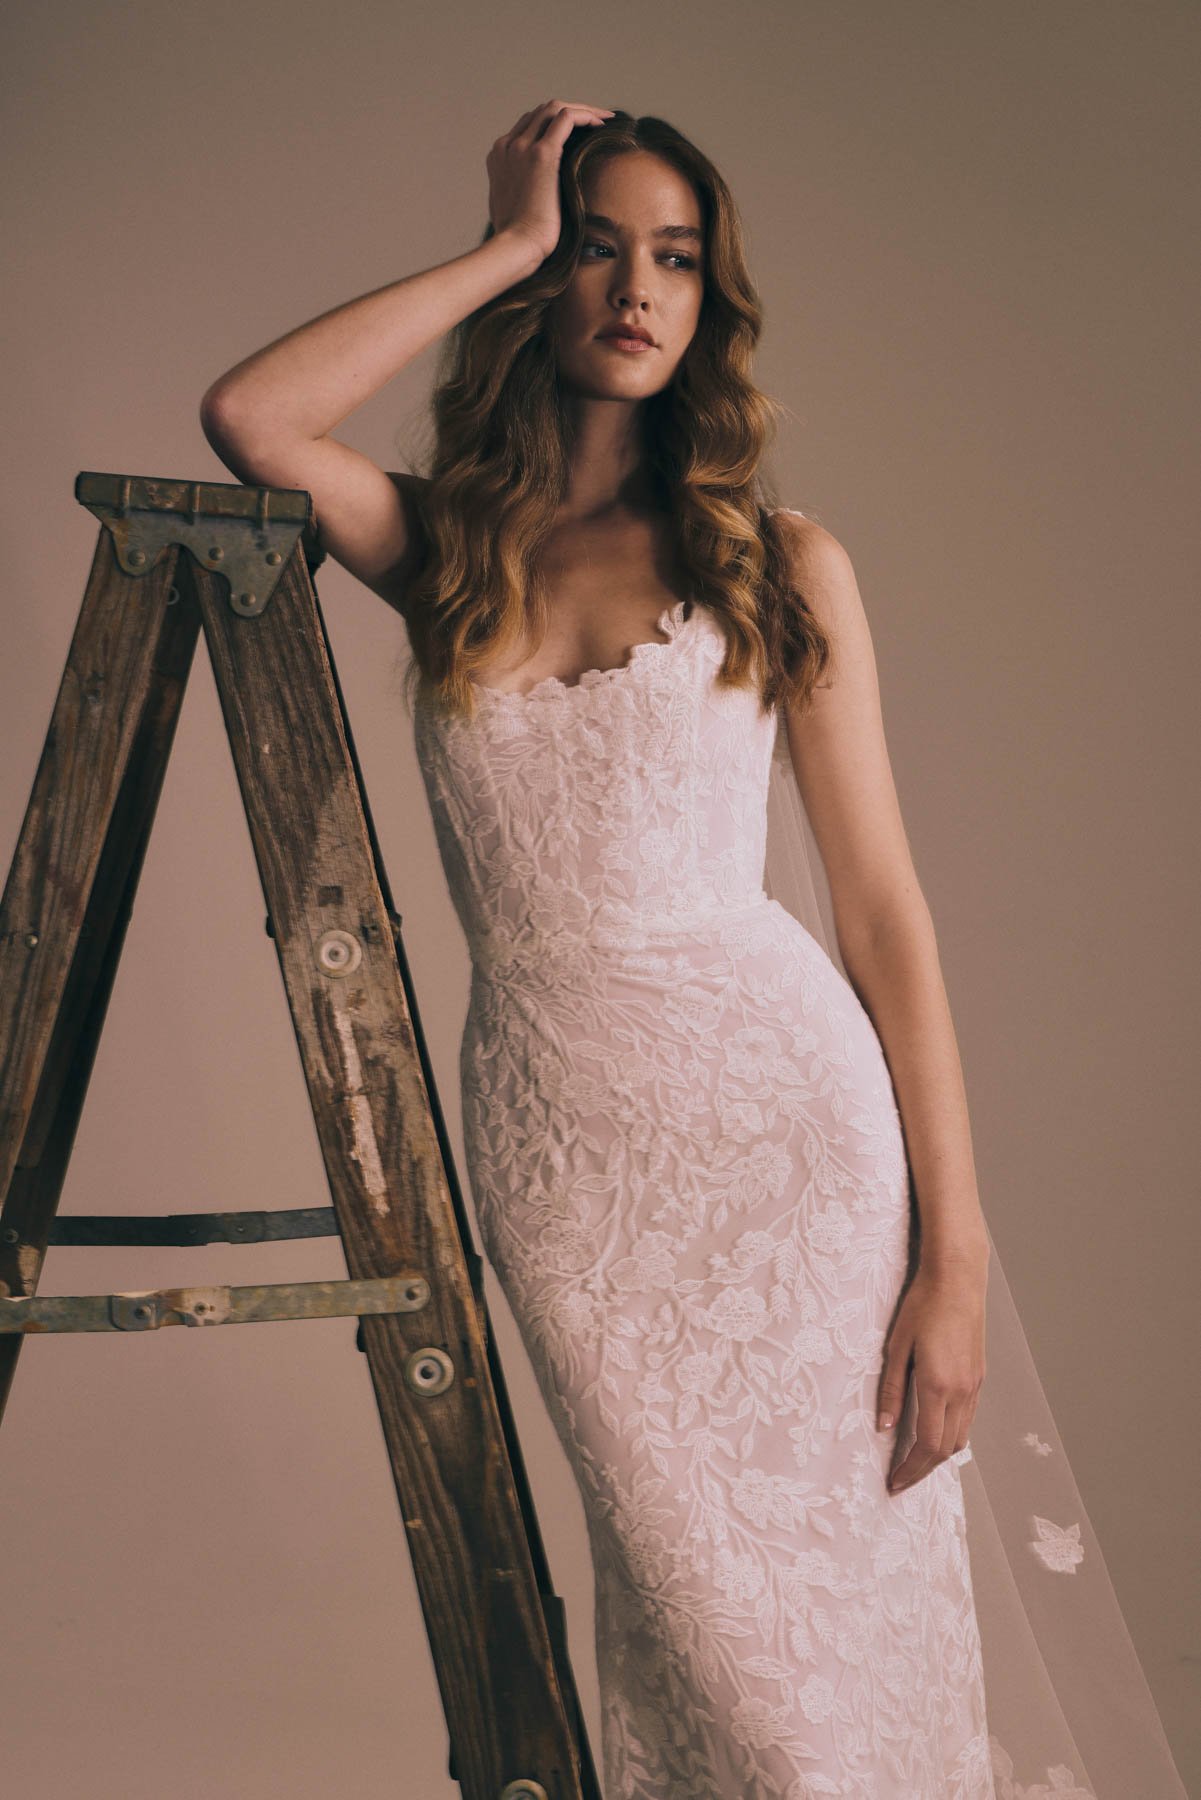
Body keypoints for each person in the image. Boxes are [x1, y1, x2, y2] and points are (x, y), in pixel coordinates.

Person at [199, 102, 1186, 1800]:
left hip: (791, 1151)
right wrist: (501, 238)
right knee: (693, 1636)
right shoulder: (451, 553)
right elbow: (251, 419)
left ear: (709, 303)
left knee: (830, 1667)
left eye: (673, 257)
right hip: (564, 1162)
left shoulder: (775, 565)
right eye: (600, 246)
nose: (636, 289)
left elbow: (883, 921)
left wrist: (952, 1260)